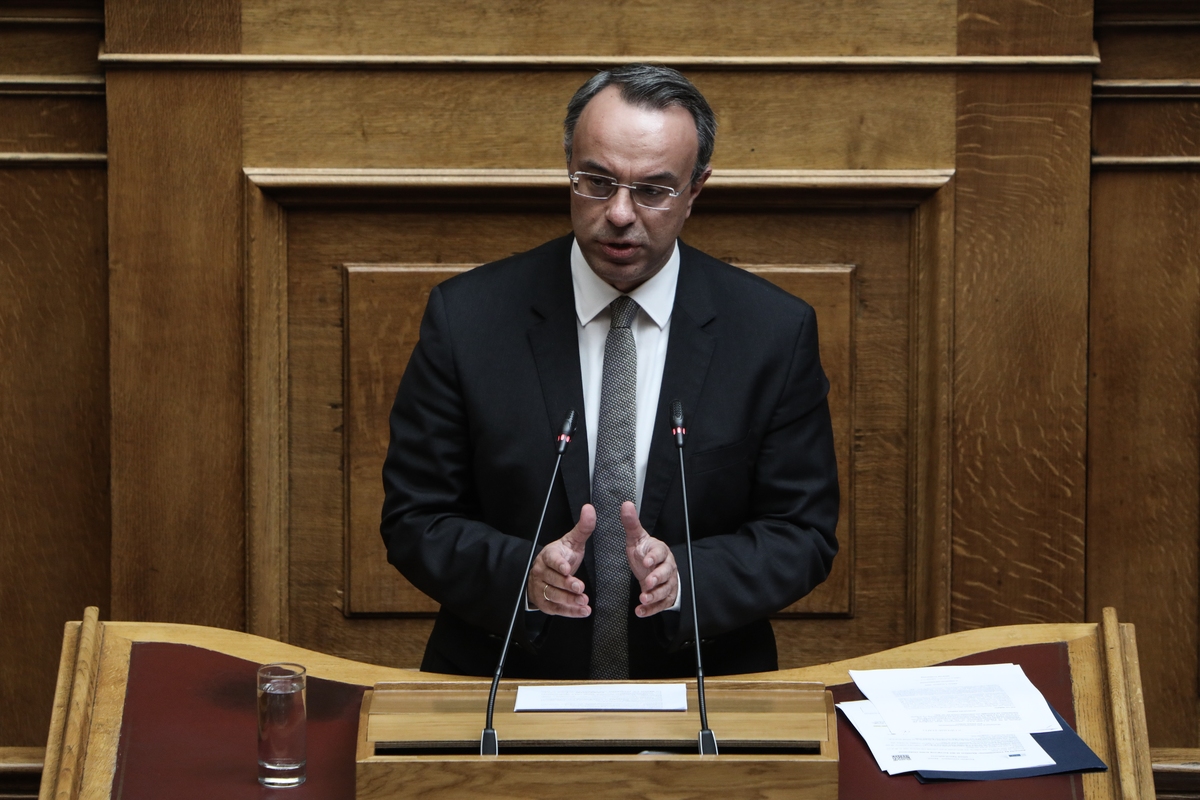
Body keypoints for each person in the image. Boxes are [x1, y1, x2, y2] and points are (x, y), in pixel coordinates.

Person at [381, 64, 839, 680]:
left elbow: (802, 532)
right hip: (505, 680)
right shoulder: (467, 319)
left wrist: (684, 580)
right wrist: (524, 577)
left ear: (696, 189)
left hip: (700, 686)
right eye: (596, 182)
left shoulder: (772, 332)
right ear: (568, 167)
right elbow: (415, 517)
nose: (620, 213)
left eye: (653, 190)